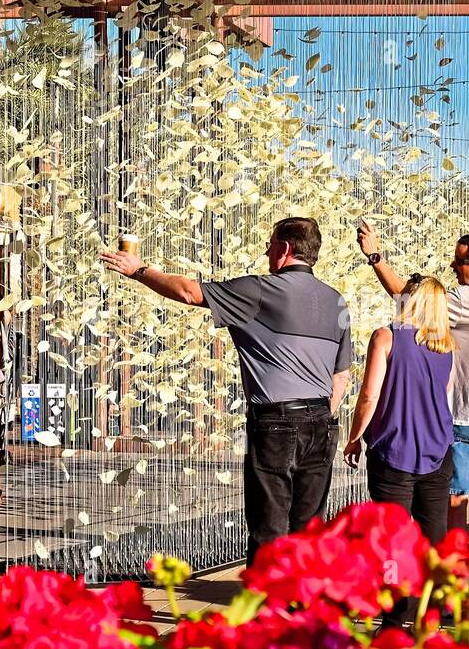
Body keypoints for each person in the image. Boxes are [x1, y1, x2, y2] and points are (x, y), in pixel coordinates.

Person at [101, 218, 352, 566]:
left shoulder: (261, 290)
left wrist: (139, 269)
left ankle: (268, 610)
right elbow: (341, 376)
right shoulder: (337, 302)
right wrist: (321, 417)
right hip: (323, 422)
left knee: (270, 526)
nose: (266, 251)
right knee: (309, 527)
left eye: (270, 244)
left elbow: (189, 292)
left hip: (275, 423)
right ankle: (305, 609)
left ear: (284, 249)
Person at [358, 223, 469, 588]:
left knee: (452, 506)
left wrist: (375, 258)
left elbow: (408, 298)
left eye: (458, 262)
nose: (452, 268)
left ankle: (450, 589)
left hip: (467, 418)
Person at [342, 274, 455, 544]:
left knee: (392, 539)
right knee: (434, 535)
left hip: (394, 452)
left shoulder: (386, 336)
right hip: (438, 450)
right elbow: (445, 393)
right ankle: (434, 585)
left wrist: (354, 439)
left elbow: (369, 396)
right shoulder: (446, 346)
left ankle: (397, 586)